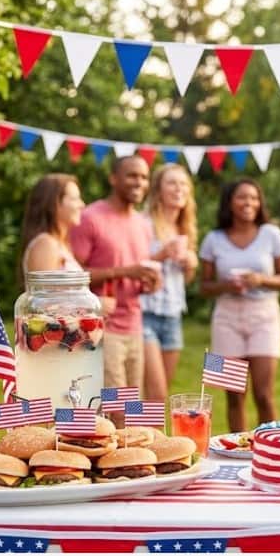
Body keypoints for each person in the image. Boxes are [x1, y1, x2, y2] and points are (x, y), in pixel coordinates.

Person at [199, 178, 280, 433]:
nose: (248, 203)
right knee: (234, 394)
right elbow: (204, 287)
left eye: (253, 198)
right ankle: (237, 450)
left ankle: (270, 449)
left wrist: (260, 279)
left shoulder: (272, 234)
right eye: (242, 197)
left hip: (264, 315)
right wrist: (227, 286)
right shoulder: (213, 239)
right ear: (230, 202)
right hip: (226, 317)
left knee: (264, 394)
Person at [69, 155, 162, 399]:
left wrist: (147, 284)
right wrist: (126, 271)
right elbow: (72, 276)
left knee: (134, 407)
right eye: (132, 175)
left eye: (144, 177)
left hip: (134, 325)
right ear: (113, 178)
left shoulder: (143, 223)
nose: (139, 182)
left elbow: (134, 274)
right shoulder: (90, 217)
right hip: (102, 327)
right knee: (116, 406)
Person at [140, 163, 199, 402]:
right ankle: (147, 439)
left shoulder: (184, 227)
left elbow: (186, 280)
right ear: (158, 190)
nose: (179, 189)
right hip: (145, 313)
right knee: (156, 392)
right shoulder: (143, 224)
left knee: (159, 396)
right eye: (172, 183)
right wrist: (160, 254)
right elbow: (132, 265)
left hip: (173, 314)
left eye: (183, 184)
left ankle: (147, 437)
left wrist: (190, 265)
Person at [19, 174, 85, 285]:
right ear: (54, 204)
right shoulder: (46, 244)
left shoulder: (58, 243)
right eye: (75, 199)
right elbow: (44, 299)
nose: (82, 205)